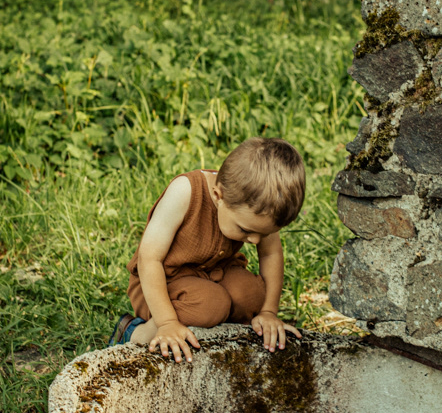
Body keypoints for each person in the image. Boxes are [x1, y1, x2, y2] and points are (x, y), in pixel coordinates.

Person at [110, 137, 305, 362]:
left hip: (217, 272)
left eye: (264, 233)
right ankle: (136, 332)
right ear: (217, 196)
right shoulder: (184, 192)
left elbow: (271, 254)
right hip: (163, 280)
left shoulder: (262, 204)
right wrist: (167, 322)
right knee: (210, 305)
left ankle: (218, 335)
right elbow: (149, 259)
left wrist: (268, 312)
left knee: (251, 295)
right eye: (245, 230)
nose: (254, 240)